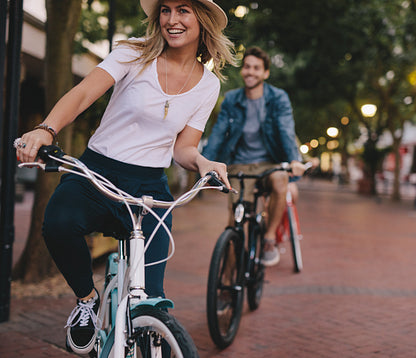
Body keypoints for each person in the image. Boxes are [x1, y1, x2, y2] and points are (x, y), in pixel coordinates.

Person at [15, 0, 235, 354]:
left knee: (152, 297)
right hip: (97, 171)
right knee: (58, 223)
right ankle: (87, 300)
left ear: (202, 20)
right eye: (165, 10)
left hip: (149, 188)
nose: (172, 19)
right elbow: (84, 93)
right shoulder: (135, 54)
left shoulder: (208, 85)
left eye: (183, 11)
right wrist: (46, 129)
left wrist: (204, 162)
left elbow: (183, 149)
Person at [202, 46, 305, 267]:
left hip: (270, 164)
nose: (251, 72)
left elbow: (286, 130)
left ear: (265, 73)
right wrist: (206, 162)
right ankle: (229, 285)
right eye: (247, 67)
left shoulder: (277, 98)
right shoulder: (232, 99)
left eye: (257, 68)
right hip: (240, 165)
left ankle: (269, 238)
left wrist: (294, 160)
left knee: (281, 181)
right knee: (235, 224)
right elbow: (219, 132)